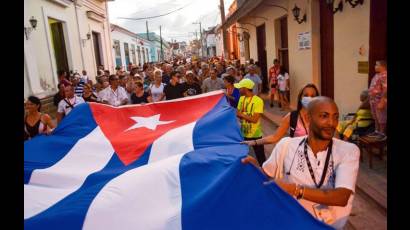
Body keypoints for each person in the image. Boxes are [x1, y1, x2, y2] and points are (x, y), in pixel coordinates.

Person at [242, 96, 360, 230]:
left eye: (335, 117)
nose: (331, 123)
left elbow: (342, 197)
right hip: (293, 223)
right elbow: (266, 175)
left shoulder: (348, 151)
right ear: (308, 118)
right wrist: (254, 168)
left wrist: (295, 190)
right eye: (324, 116)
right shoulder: (286, 145)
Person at [243, 84, 320, 147]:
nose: (309, 98)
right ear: (300, 98)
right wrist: (254, 142)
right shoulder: (292, 117)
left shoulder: (320, 117)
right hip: (298, 159)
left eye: (312, 96)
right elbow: (274, 137)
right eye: (306, 95)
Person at [235, 78, 265, 166]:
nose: (238, 89)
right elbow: (237, 113)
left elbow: (254, 120)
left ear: (245, 88)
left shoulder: (258, 101)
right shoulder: (241, 98)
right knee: (244, 157)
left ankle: (264, 174)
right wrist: (242, 115)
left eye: (240, 88)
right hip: (243, 133)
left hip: (255, 134)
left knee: (261, 157)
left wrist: (242, 115)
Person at [367, 60, 387, 138]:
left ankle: (382, 133)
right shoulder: (377, 75)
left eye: (377, 65)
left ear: (383, 66)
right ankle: (377, 131)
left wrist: (382, 101)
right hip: (374, 101)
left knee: (381, 117)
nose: (375, 66)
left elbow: (386, 89)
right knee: (376, 117)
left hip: (380, 101)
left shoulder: (385, 75)